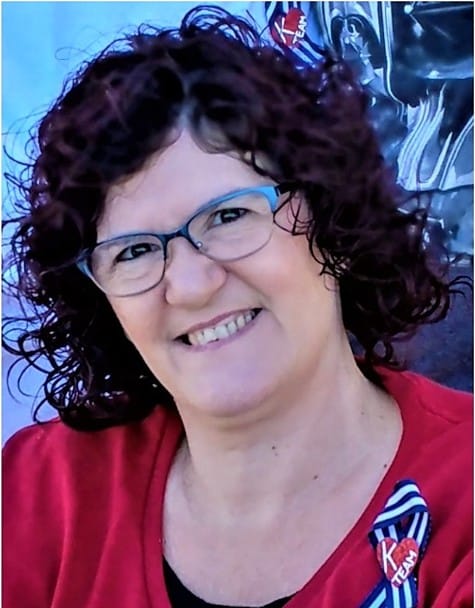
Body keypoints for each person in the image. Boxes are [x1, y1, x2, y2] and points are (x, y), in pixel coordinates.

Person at [2, 6, 472, 608]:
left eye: (228, 216)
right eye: (134, 252)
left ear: (330, 220)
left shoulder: (463, 499)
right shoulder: (38, 496)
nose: (190, 285)